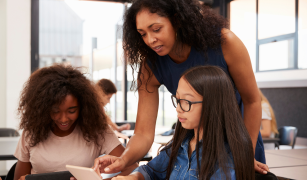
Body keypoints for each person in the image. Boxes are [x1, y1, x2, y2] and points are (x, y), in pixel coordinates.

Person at [93, 0, 268, 174]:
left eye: (156, 29)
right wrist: (123, 160)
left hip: (240, 141)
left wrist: (245, 154)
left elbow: (252, 101)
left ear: (176, 20)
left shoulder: (225, 42)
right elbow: (143, 134)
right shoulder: (150, 67)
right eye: (142, 33)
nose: (150, 40)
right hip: (196, 146)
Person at [105, 66, 258, 180]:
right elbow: (151, 170)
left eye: (186, 101)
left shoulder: (227, 157)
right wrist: (131, 178)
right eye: (177, 100)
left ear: (213, 104)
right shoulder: (181, 144)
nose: (178, 109)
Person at [13, 65, 137, 180]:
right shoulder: (32, 132)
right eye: (55, 111)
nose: (63, 119)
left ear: (83, 107)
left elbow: (132, 167)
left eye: (71, 111)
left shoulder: (97, 130)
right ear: (44, 108)